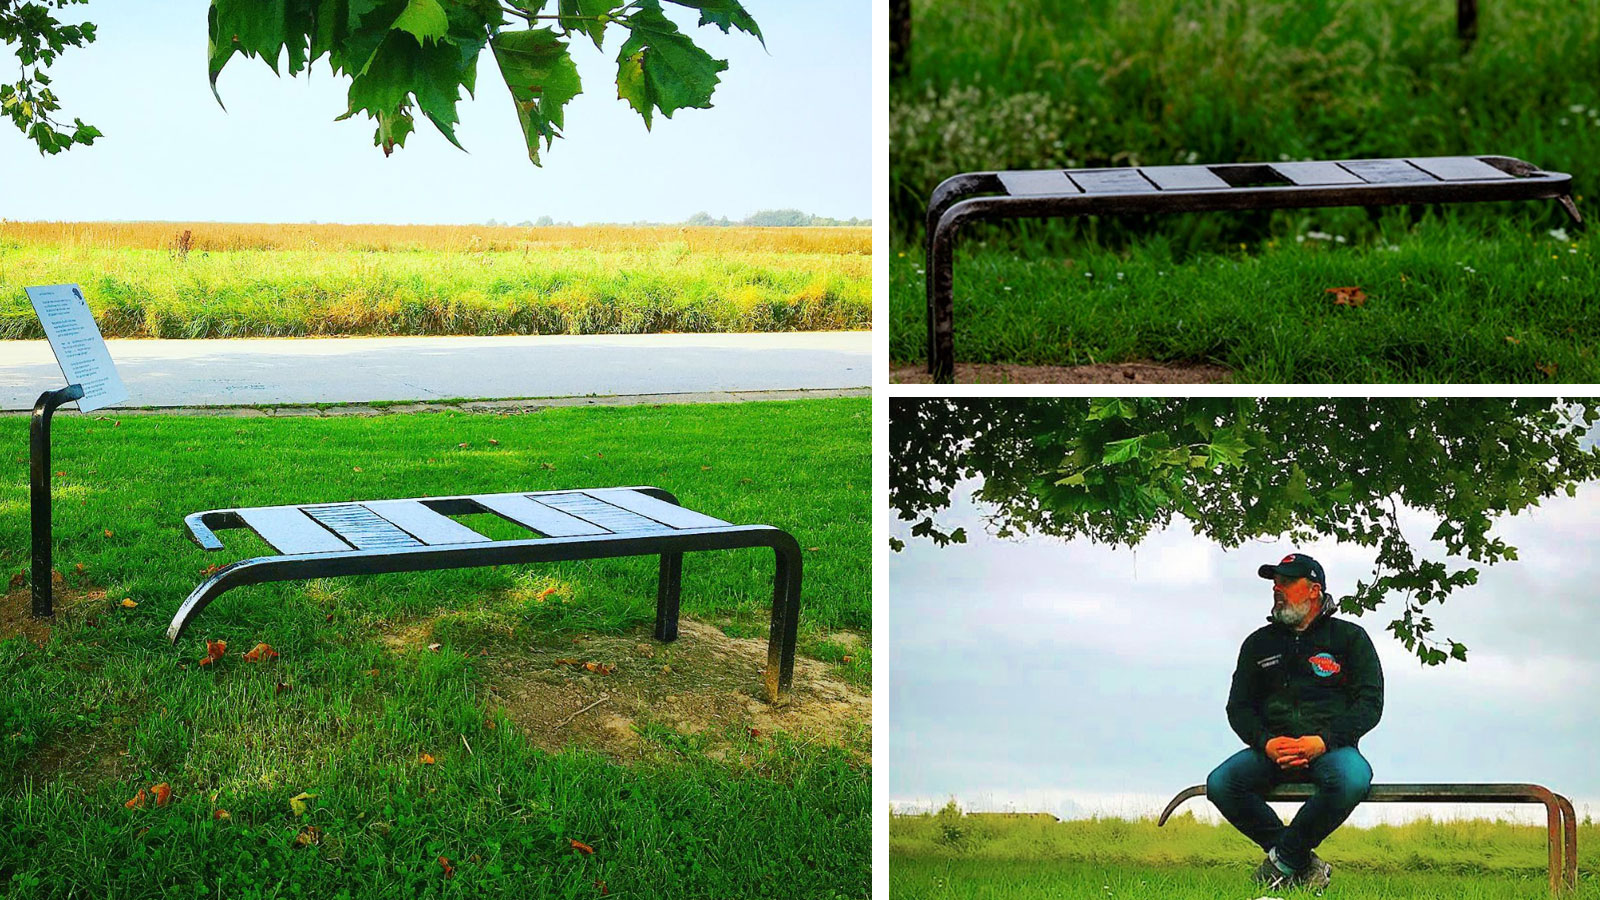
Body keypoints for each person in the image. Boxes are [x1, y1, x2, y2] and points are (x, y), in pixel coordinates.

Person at [1206, 553, 1384, 889]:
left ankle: (1282, 863)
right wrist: (1267, 743)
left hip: (1330, 748)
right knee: (1221, 783)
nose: (1277, 588)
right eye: (1275, 582)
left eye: (1287, 582)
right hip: (1273, 749)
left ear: (1314, 589)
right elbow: (1239, 707)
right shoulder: (1258, 643)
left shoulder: (1350, 638)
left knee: (1352, 778)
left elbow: (1370, 704)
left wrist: (1324, 741)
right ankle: (1301, 862)